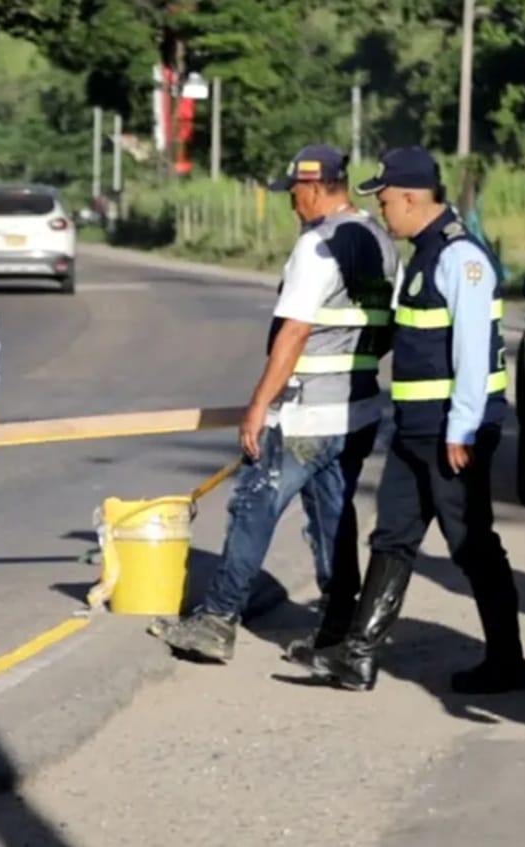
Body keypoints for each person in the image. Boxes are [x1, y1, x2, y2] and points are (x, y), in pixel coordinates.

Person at [289, 146, 525, 694]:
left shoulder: (458, 257)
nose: (382, 213)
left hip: (451, 432)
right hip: (415, 429)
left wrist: (462, 430)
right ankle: (359, 656)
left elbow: (472, 350)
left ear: (410, 198)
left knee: (472, 545)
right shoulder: (422, 254)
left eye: (386, 201)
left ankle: (507, 662)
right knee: (393, 536)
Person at [155, 143, 401, 662]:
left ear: (314, 188)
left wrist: (258, 406)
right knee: (335, 517)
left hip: (307, 411)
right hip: (356, 411)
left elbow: (293, 332)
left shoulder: (318, 246)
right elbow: (384, 329)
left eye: (295, 193)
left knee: (254, 503)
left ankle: (217, 620)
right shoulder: (380, 240)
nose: (292, 203)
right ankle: (338, 628)